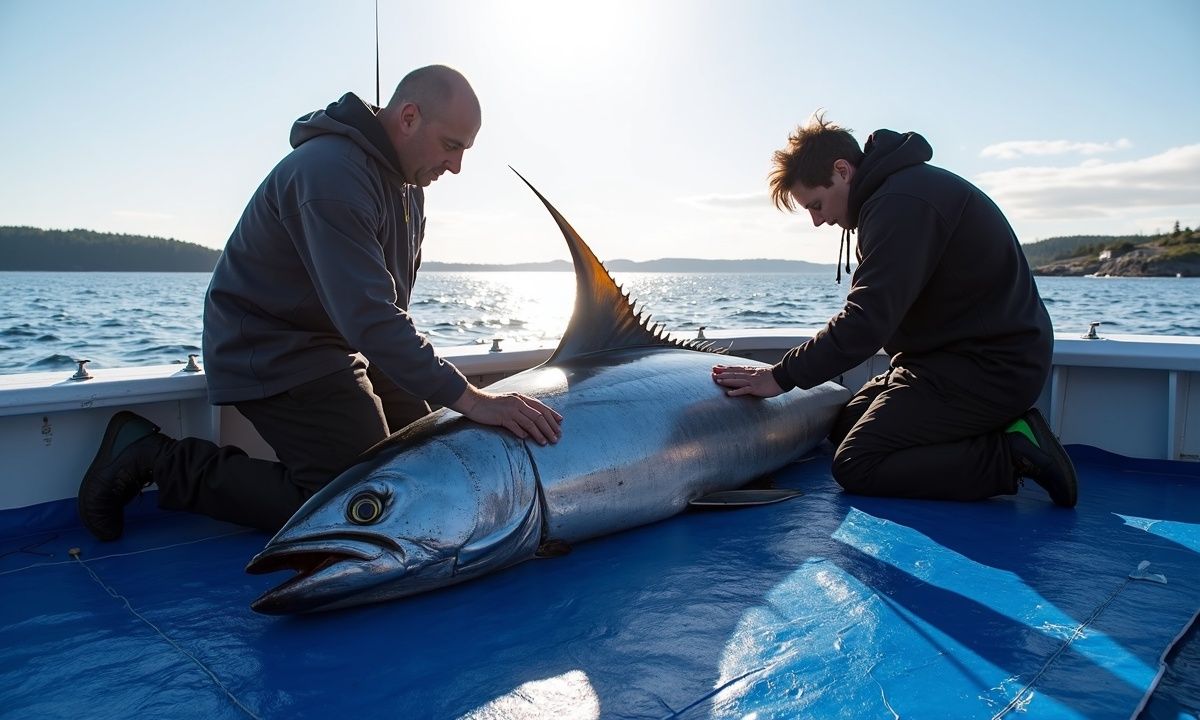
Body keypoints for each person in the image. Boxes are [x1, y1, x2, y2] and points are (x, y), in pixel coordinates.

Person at [78, 65, 563, 541]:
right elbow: (370, 316)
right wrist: (472, 398)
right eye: (451, 146)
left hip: (342, 344)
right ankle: (152, 456)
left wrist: (439, 392)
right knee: (357, 503)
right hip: (270, 347)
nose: (456, 166)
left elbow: (388, 306)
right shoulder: (331, 173)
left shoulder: (409, 185)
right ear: (409, 117)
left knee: (428, 467)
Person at [711, 113, 1077, 507]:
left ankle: (1011, 453)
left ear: (842, 170)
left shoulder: (901, 203)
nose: (818, 221)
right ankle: (993, 433)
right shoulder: (894, 193)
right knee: (846, 425)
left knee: (857, 463)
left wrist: (781, 377)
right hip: (947, 361)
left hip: (990, 368)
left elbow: (866, 323)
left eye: (816, 204)